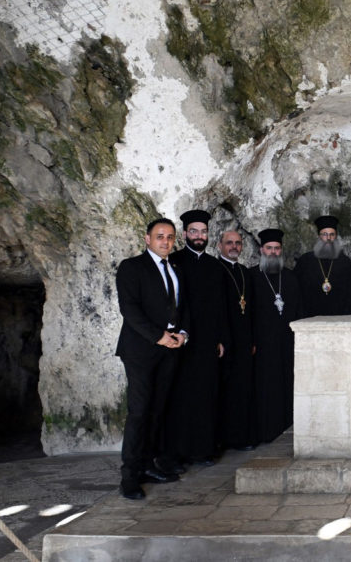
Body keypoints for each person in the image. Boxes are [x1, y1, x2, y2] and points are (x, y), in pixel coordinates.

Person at [115, 218, 187, 500]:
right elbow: (129, 309)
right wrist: (158, 336)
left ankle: (148, 465)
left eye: (170, 237)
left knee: (158, 411)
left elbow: (183, 307)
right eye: (160, 237)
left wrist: (182, 333)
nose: (165, 242)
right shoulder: (131, 267)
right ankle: (129, 477)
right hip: (141, 350)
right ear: (147, 239)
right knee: (139, 412)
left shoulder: (176, 269)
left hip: (169, 348)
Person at [163, 209, 227, 469]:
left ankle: (203, 449)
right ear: (185, 234)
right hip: (181, 341)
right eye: (194, 231)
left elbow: (221, 305)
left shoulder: (215, 265)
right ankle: (177, 453)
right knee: (180, 397)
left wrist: (222, 338)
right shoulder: (174, 261)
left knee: (206, 395)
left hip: (208, 341)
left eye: (203, 232)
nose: (199, 236)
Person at [251, 228, 302, 444]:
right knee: (266, 388)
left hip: (287, 342)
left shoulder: (290, 277)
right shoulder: (252, 276)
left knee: (287, 385)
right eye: (269, 248)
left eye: (277, 248)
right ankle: (266, 431)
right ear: (262, 250)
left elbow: (300, 310)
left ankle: (287, 428)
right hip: (263, 344)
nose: (273, 252)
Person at [216, 229, 257, 451]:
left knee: (243, 389)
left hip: (243, 341)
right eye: (229, 243)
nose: (234, 247)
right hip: (224, 342)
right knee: (225, 391)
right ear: (220, 245)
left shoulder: (243, 272)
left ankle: (241, 437)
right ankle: (224, 439)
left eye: (238, 243)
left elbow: (249, 309)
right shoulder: (214, 270)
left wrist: (251, 339)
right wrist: (220, 339)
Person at [294, 215, 351, 316]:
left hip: (339, 317)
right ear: (319, 236)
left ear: (335, 236)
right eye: (324, 234)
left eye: (332, 234)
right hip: (310, 317)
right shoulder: (305, 261)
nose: (328, 238)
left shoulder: (344, 262)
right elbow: (297, 291)